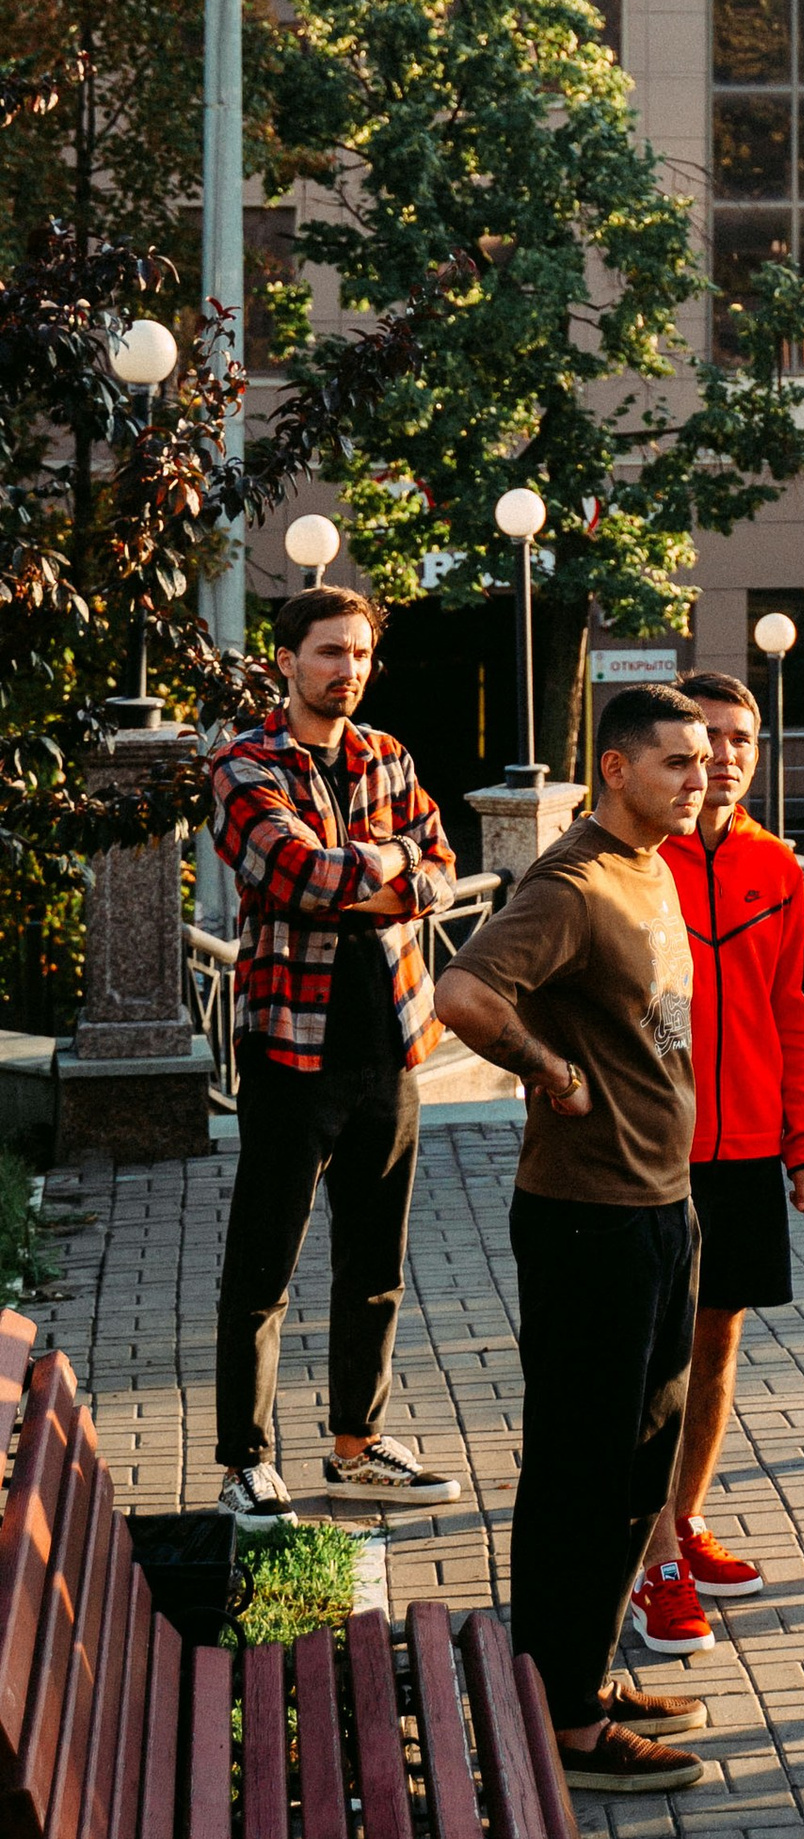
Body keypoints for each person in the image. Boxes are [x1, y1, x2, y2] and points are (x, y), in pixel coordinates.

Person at [435, 686, 715, 1795]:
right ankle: (563, 1725)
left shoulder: (650, 867)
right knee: (579, 1474)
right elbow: (463, 992)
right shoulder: (575, 883)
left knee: (638, 1467)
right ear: (614, 767)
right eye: (677, 762)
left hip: (658, 1207)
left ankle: (579, 1678)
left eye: (704, 760)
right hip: (589, 1220)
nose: (699, 778)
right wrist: (549, 1070)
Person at [207, 582, 464, 1522]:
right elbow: (297, 875)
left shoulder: (386, 755)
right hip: (291, 1050)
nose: (347, 669)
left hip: (390, 1044)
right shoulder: (244, 763)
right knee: (263, 1267)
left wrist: (386, 872)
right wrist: (389, 861)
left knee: (375, 1264)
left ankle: (356, 1445)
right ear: (286, 661)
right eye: (328, 651)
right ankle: (245, 1461)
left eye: (358, 652)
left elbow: (443, 866)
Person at [623, 671, 804, 1658]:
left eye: (742, 738)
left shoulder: (775, 867)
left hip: (747, 1146)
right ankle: (652, 1560)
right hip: (653, 1148)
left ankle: (685, 1517)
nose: (725, 755)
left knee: (715, 1345)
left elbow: (795, 1011)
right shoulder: (633, 860)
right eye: (707, 738)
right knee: (652, 1358)